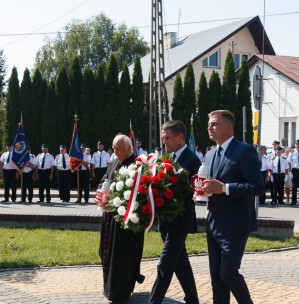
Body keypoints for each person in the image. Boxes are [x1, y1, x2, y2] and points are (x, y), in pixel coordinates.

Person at [202, 110, 264, 304]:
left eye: (214, 124)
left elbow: (257, 186)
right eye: (209, 124)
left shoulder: (244, 151)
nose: (209, 128)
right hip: (214, 223)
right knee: (216, 279)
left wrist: (225, 188)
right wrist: (203, 191)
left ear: (228, 126)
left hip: (236, 224)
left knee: (228, 273)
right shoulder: (210, 153)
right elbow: (211, 185)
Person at [150, 120, 200, 304]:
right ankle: (192, 299)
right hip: (167, 220)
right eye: (163, 139)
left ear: (180, 137)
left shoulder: (192, 160)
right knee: (180, 262)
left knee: (165, 263)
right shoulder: (167, 158)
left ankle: (153, 301)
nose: (165, 142)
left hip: (181, 220)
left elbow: (190, 192)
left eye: (168, 138)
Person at [95, 135, 145, 303]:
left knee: (122, 256)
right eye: (113, 148)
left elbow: (140, 193)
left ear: (129, 149)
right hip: (109, 216)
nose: (114, 152)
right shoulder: (116, 161)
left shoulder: (137, 166)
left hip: (126, 222)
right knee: (106, 252)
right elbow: (106, 178)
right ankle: (110, 288)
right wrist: (101, 192)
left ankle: (121, 291)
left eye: (118, 149)